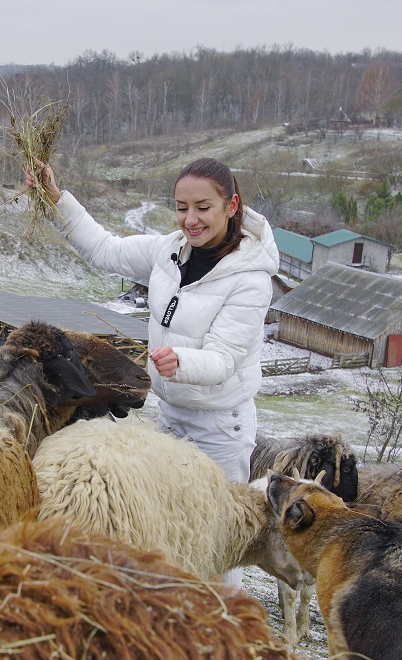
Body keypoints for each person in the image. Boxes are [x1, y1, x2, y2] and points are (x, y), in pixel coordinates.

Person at [26, 156, 279, 587]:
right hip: (171, 416)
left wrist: (182, 361)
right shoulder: (169, 251)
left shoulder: (250, 280)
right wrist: (55, 199)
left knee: (217, 544)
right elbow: (104, 249)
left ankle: (221, 630)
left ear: (231, 205)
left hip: (219, 427)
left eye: (203, 207)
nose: (190, 219)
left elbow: (224, 359)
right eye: (182, 207)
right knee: (170, 531)